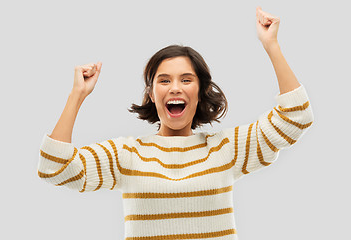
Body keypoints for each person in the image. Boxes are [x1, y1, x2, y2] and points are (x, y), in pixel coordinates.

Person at [37, 6, 314, 240]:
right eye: (164, 80)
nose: (175, 88)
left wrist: (272, 45)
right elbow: (55, 168)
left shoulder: (226, 149)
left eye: (186, 79)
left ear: (201, 91)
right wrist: (77, 95)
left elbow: (295, 117)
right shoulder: (128, 155)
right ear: (151, 93)